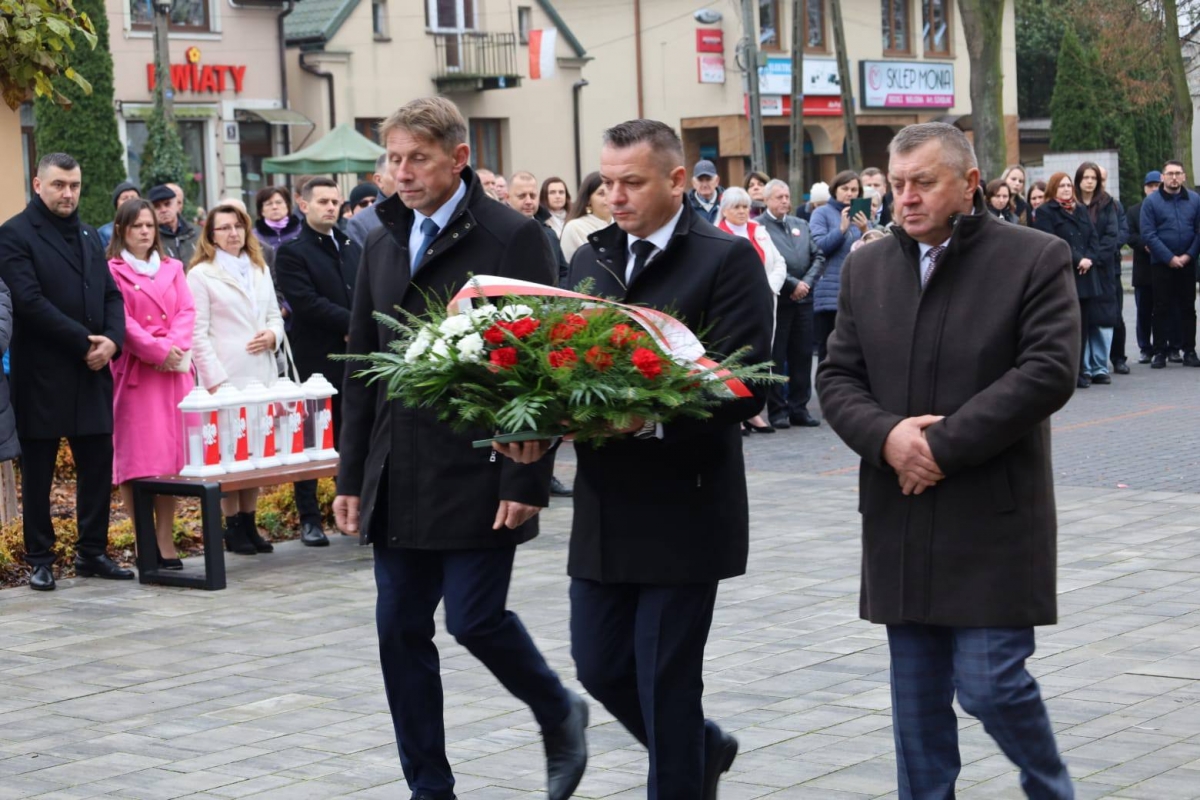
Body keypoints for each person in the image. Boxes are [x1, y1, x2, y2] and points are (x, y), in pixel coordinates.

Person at [331, 96, 587, 800]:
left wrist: (526, 478)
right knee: (398, 632)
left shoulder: (513, 236)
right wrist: (350, 476)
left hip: (480, 466)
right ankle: (430, 787)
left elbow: (545, 360)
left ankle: (558, 710)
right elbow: (362, 366)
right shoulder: (379, 237)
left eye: (418, 158)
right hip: (398, 472)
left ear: (459, 158)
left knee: (474, 619)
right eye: (394, 159)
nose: (403, 173)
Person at [509, 117, 772, 800]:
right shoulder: (590, 257)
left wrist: (648, 419)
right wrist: (534, 432)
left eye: (632, 182)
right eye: (608, 182)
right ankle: (703, 748)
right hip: (605, 505)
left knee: (666, 683)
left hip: (686, 503)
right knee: (599, 667)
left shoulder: (725, 257)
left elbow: (748, 383)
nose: (615, 196)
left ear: (678, 180)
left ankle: (683, 770)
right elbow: (558, 366)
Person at [817, 121, 1078, 800]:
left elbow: (1049, 371)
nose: (905, 198)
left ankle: (1050, 785)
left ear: (968, 184)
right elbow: (837, 377)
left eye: (923, 183)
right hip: (900, 515)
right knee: (917, 710)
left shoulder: (1034, 256)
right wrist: (886, 438)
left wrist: (939, 445)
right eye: (896, 183)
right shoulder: (867, 266)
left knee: (991, 685)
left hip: (992, 516)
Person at [0, 153, 130, 591]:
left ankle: (92, 551)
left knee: (97, 465)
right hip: (42, 375)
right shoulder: (14, 234)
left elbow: (111, 295)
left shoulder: (90, 234)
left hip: (92, 372)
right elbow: (28, 302)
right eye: (59, 185)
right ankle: (40, 558)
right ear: (38, 185)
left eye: (74, 185)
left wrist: (113, 341)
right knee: (39, 473)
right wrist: (86, 343)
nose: (68, 193)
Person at [188, 203, 284, 555]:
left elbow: (275, 315)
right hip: (225, 377)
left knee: (255, 450)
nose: (233, 233)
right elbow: (197, 333)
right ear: (211, 236)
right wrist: (215, 381)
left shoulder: (259, 268)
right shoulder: (201, 275)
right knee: (230, 453)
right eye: (224, 228)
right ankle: (232, 527)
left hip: (260, 373)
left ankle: (249, 521)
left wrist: (273, 335)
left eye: (238, 226)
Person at [106, 198, 195, 570]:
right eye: (136, 226)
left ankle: (165, 540)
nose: (144, 231)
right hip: (137, 374)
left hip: (173, 372)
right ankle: (144, 541)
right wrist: (157, 350)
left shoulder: (173, 267)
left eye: (149, 225)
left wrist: (173, 347)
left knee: (168, 461)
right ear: (121, 230)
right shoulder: (112, 270)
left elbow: (187, 310)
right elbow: (121, 321)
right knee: (138, 461)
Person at [274, 177, 361, 548]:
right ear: (303, 204)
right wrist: (352, 324)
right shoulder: (292, 252)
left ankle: (354, 511)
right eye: (323, 201)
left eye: (335, 201)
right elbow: (305, 302)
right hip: (316, 359)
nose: (330, 207)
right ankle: (309, 518)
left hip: (354, 357)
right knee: (310, 438)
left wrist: (360, 328)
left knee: (352, 435)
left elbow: (365, 291)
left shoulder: (351, 246)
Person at [717, 187, 786, 435]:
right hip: (733, 305)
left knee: (759, 354)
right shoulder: (717, 234)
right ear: (725, 210)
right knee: (734, 355)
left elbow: (779, 263)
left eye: (745, 206)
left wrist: (767, 287)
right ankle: (735, 411)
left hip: (763, 302)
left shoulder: (759, 231)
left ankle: (753, 411)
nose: (742, 211)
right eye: (736, 207)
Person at [759, 178, 825, 430]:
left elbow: (818, 256)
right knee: (777, 356)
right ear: (766, 199)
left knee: (802, 355)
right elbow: (768, 263)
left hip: (804, 301)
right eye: (779, 197)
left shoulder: (800, 224)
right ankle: (778, 410)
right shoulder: (759, 228)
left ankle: (799, 408)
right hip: (779, 300)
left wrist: (805, 283)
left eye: (787, 196)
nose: (785, 201)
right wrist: (792, 285)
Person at [1034, 172, 1103, 388]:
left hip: (1085, 275)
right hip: (1065, 273)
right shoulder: (1046, 212)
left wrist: (1089, 258)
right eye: (1061, 186)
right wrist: (1077, 259)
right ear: (1053, 188)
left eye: (1068, 185)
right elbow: (1052, 241)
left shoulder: (1080, 209)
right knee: (1067, 327)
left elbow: (1093, 237)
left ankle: (1081, 370)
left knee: (1083, 326)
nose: (1066, 189)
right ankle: (1068, 372)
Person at [1140, 160, 1200, 369]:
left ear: (1183, 176)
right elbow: (1148, 234)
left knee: (1188, 308)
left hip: (1187, 263)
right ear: (1162, 177)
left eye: (1178, 173)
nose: (1174, 177)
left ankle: (1189, 350)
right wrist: (1169, 258)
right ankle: (1159, 352)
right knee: (1161, 308)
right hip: (1161, 264)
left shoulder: (1195, 200)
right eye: (1170, 173)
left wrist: (1189, 255)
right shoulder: (1151, 202)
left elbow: (1199, 231)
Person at [811, 170, 869, 363]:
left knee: (854, 350)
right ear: (835, 190)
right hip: (829, 292)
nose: (850, 193)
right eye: (845, 188)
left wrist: (865, 230)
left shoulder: (861, 215)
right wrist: (841, 229)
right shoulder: (821, 213)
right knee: (828, 349)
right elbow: (818, 248)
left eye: (854, 189)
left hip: (856, 291)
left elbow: (873, 251)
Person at [1073, 162, 1122, 384]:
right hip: (1079, 269)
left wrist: (1092, 259)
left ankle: (1100, 367)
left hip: (1102, 268)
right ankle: (1083, 366)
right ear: (1078, 180)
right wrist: (1081, 259)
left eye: (1093, 178)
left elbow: (1111, 235)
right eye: (1086, 177)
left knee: (1103, 317)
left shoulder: (1107, 204)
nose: (1090, 182)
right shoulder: (1072, 205)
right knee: (1082, 319)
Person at [1128, 171, 1177, 363]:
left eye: (1158, 185)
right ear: (1145, 188)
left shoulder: (1170, 207)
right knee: (1144, 311)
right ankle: (1145, 348)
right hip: (1144, 269)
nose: (1154, 189)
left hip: (1165, 265)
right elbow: (1129, 235)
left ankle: (1171, 347)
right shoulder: (1134, 211)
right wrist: (1145, 245)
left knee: (1168, 309)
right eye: (1151, 186)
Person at [510, 171, 571, 295]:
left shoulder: (549, 233)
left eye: (533, 196)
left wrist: (558, 296)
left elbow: (564, 272)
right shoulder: (499, 232)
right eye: (522, 196)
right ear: (507, 197)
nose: (529, 201)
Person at [346, 153, 398, 248]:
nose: (404, 178)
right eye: (396, 175)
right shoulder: (360, 223)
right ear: (379, 180)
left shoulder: (422, 210)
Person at [560, 171, 612, 263]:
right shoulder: (575, 228)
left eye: (611, 192)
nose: (608, 198)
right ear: (588, 200)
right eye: (601, 194)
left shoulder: (622, 226)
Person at [149, 183, 199, 265]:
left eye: (167, 204)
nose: (163, 210)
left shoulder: (196, 232)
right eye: (157, 206)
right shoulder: (150, 238)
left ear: (177, 204)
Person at [252, 186, 304, 250]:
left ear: (287, 205)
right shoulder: (254, 237)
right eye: (269, 204)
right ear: (261, 210)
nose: (274, 207)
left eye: (279, 202)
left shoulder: (301, 231)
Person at [98, 181, 140, 247]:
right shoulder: (105, 232)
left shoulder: (149, 229)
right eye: (125, 198)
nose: (130, 201)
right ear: (116, 204)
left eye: (133, 198)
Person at [686, 159, 723, 224]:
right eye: (700, 180)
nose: (705, 185)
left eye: (708, 179)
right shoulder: (685, 206)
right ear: (693, 183)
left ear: (717, 181)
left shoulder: (727, 202)